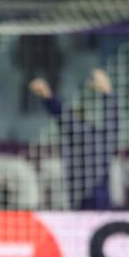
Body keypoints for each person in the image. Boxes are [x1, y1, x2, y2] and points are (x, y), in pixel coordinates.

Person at [29, 69, 119, 210]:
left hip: (86, 195)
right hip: (93, 195)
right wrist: (107, 92)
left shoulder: (82, 133)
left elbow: (61, 115)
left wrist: (47, 94)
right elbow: (112, 119)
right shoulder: (103, 135)